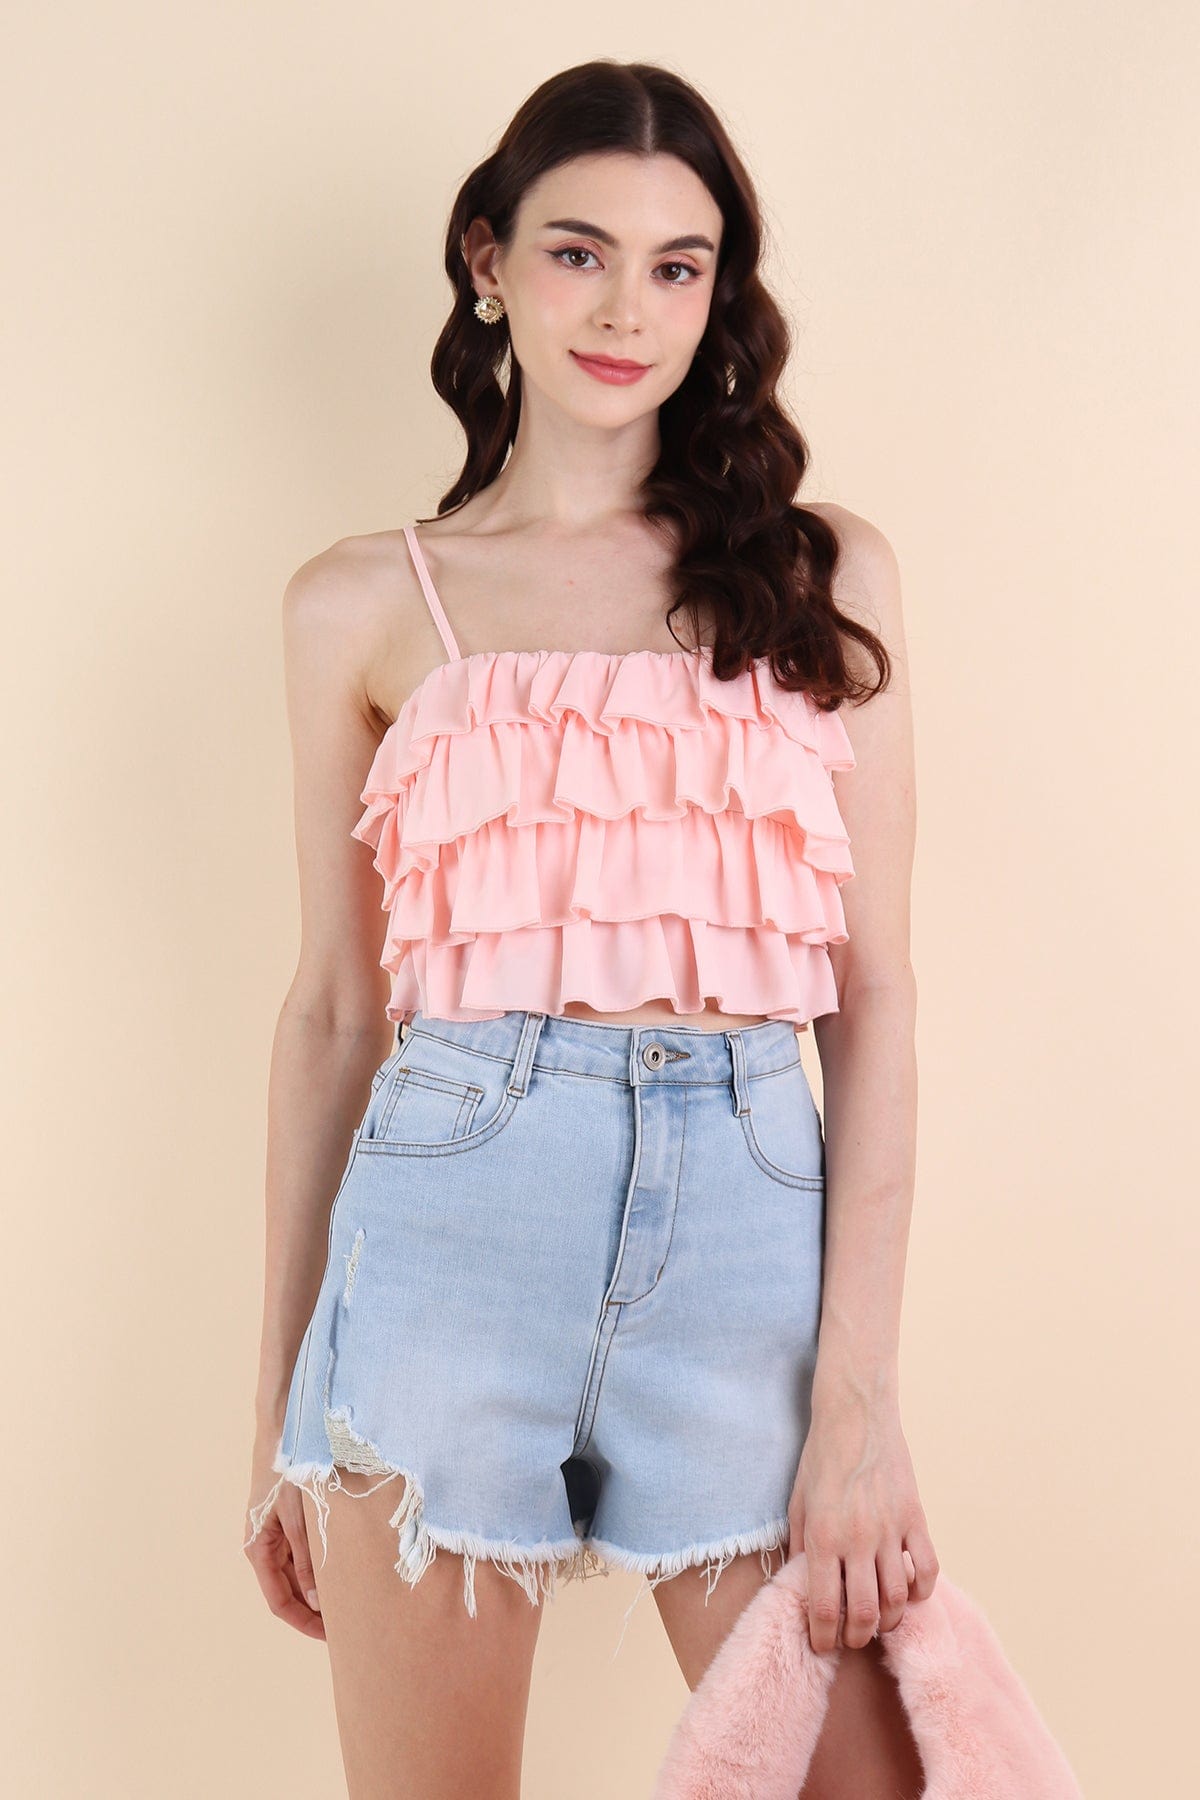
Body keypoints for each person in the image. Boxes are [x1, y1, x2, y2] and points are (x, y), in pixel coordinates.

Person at [243, 58, 935, 1800]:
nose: (629, 310)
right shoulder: (359, 601)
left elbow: (875, 1001)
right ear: (487, 260)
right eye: (578, 252)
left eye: (678, 266)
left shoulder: (822, 574)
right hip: (449, 1223)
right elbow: (334, 1016)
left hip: (749, 1237)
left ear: (720, 294)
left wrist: (859, 1399)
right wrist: (281, 1414)